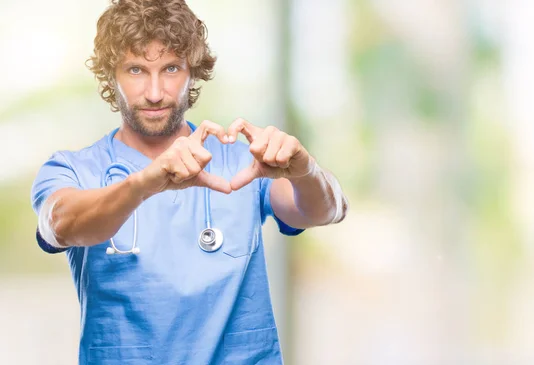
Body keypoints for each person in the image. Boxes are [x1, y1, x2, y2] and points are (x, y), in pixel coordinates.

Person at [30, 0, 348, 363]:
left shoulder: (242, 160)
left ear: (192, 72)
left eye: (170, 69)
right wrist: (145, 183)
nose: (154, 92)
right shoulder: (72, 169)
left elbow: (325, 210)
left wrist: (304, 168)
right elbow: (59, 225)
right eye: (135, 69)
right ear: (111, 75)